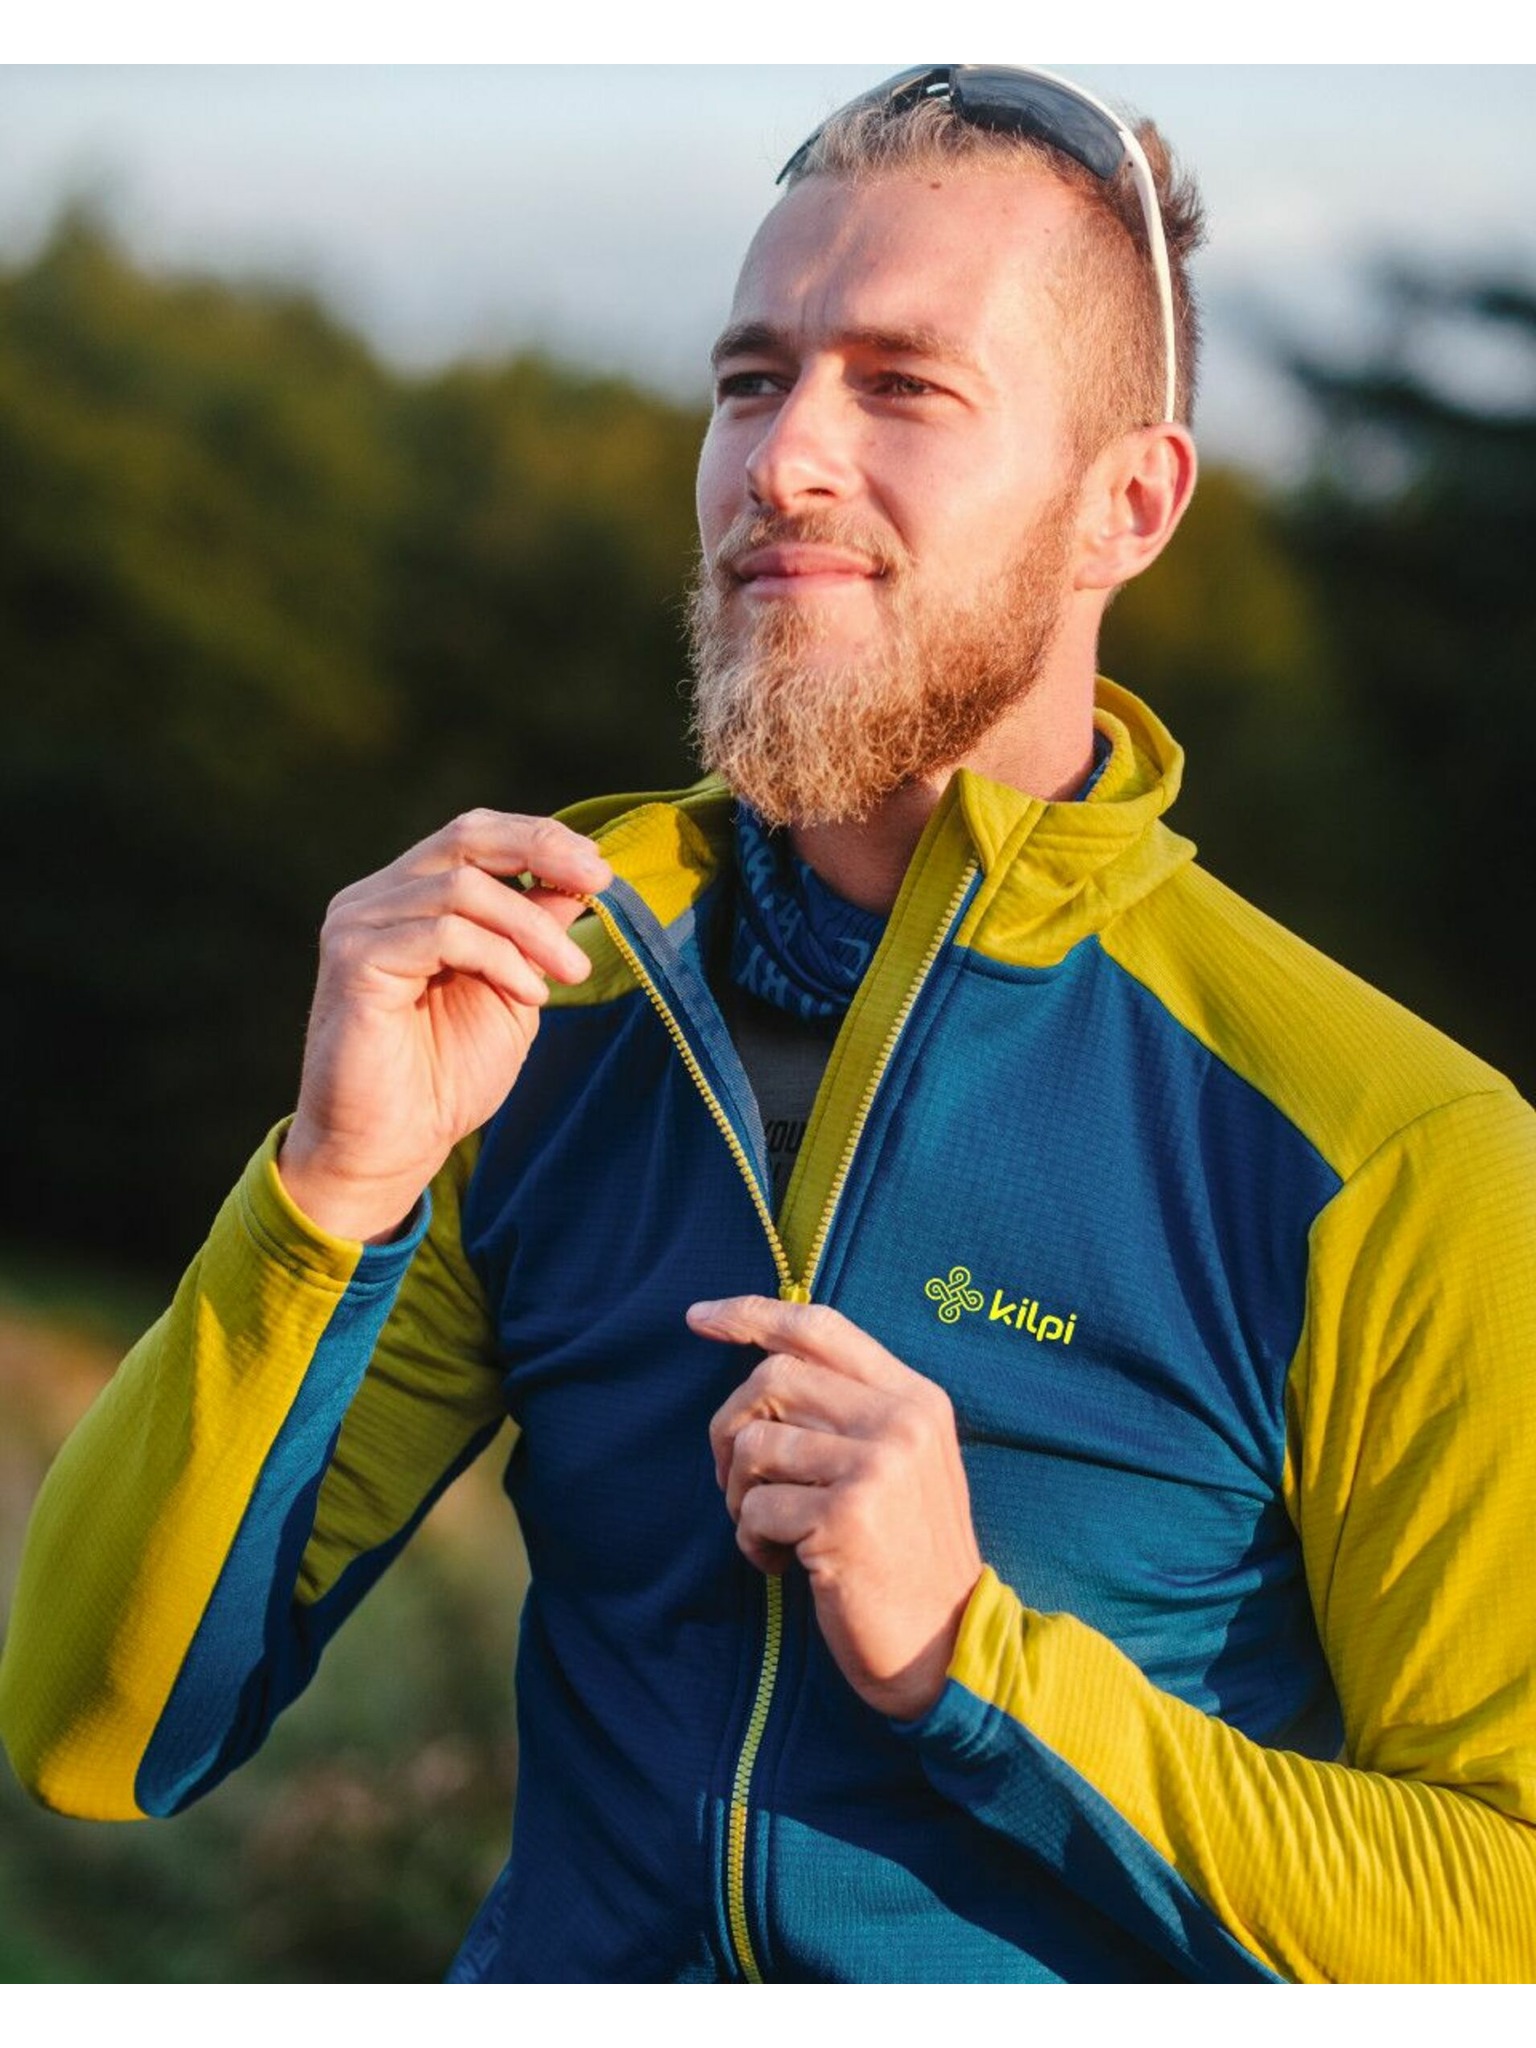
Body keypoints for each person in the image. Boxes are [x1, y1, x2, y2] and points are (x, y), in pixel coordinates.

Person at [3, 64, 1535, 1985]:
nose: (782, 460)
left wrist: (975, 1658)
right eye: (750, 379)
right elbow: (92, 1731)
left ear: (1126, 504)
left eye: (903, 385)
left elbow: (1504, 1917)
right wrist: (331, 1190)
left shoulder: (1386, 1148)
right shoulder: (549, 995)